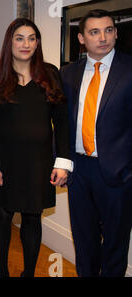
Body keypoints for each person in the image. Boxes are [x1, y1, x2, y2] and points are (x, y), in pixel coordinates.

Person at [0, 18, 71, 277]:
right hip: (3, 164)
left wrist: (62, 162)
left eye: (32, 38)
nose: (26, 44)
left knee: (32, 218)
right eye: (20, 38)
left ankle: (29, 273)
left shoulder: (51, 74)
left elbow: (62, 122)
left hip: (38, 163)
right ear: (10, 41)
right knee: (2, 217)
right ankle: (2, 273)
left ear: (37, 43)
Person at [60, 9, 132, 277]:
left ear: (115, 33)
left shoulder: (129, 69)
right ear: (81, 38)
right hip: (79, 171)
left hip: (118, 173)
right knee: (84, 240)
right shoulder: (67, 73)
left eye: (109, 30)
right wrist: (63, 162)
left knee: (115, 242)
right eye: (94, 32)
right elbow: (63, 123)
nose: (103, 37)